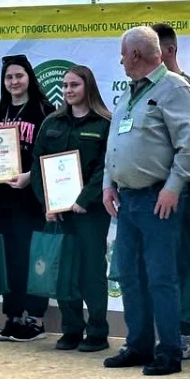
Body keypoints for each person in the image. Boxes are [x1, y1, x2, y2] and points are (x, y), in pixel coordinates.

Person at [102, 26, 190, 376]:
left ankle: (169, 351)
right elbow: (114, 143)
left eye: (123, 54)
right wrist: (108, 184)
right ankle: (138, 345)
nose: (120, 61)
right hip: (127, 199)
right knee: (130, 275)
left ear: (135, 54)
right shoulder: (129, 93)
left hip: (159, 197)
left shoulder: (174, 88)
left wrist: (173, 187)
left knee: (161, 277)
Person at [0, 54, 55, 342]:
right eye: (9, 77)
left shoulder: (44, 112)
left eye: (19, 76)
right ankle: (12, 316)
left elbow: (51, 157)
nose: (14, 81)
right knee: (7, 259)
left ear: (29, 77)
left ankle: (36, 319)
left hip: (30, 199)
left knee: (31, 258)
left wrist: (30, 176)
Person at [30, 65, 112, 352]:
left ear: (88, 87)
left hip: (91, 212)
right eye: (65, 85)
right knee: (63, 268)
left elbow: (107, 167)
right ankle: (71, 329)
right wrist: (47, 204)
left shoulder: (104, 123)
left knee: (91, 271)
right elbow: (38, 166)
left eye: (74, 85)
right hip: (59, 213)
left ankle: (98, 332)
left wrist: (84, 199)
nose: (68, 90)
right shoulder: (52, 122)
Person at [151, 22, 190, 362]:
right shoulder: (144, 88)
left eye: (151, 51)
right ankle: (162, 332)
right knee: (156, 265)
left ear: (169, 51)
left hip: (179, 189)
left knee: (183, 261)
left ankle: (187, 332)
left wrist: (172, 184)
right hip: (146, 192)